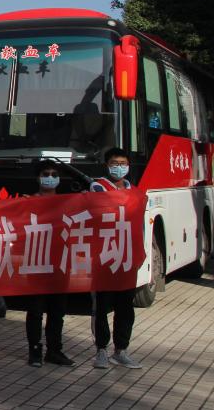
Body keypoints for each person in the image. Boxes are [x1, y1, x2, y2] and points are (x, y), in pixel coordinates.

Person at [91, 147, 143, 370]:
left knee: (125, 306)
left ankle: (121, 350)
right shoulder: (98, 187)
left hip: (127, 257)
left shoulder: (135, 191)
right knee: (102, 305)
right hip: (104, 255)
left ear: (129, 166)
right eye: (114, 163)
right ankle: (101, 350)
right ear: (107, 165)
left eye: (123, 163)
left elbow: (139, 224)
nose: (119, 167)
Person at [25, 162, 73, 368]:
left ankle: (54, 350)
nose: (50, 177)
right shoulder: (28, 202)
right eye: (46, 174)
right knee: (35, 310)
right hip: (36, 262)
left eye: (54, 174)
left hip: (60, 262)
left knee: (57, 311)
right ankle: (35, 350)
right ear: (38, 177)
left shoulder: (67, 203)